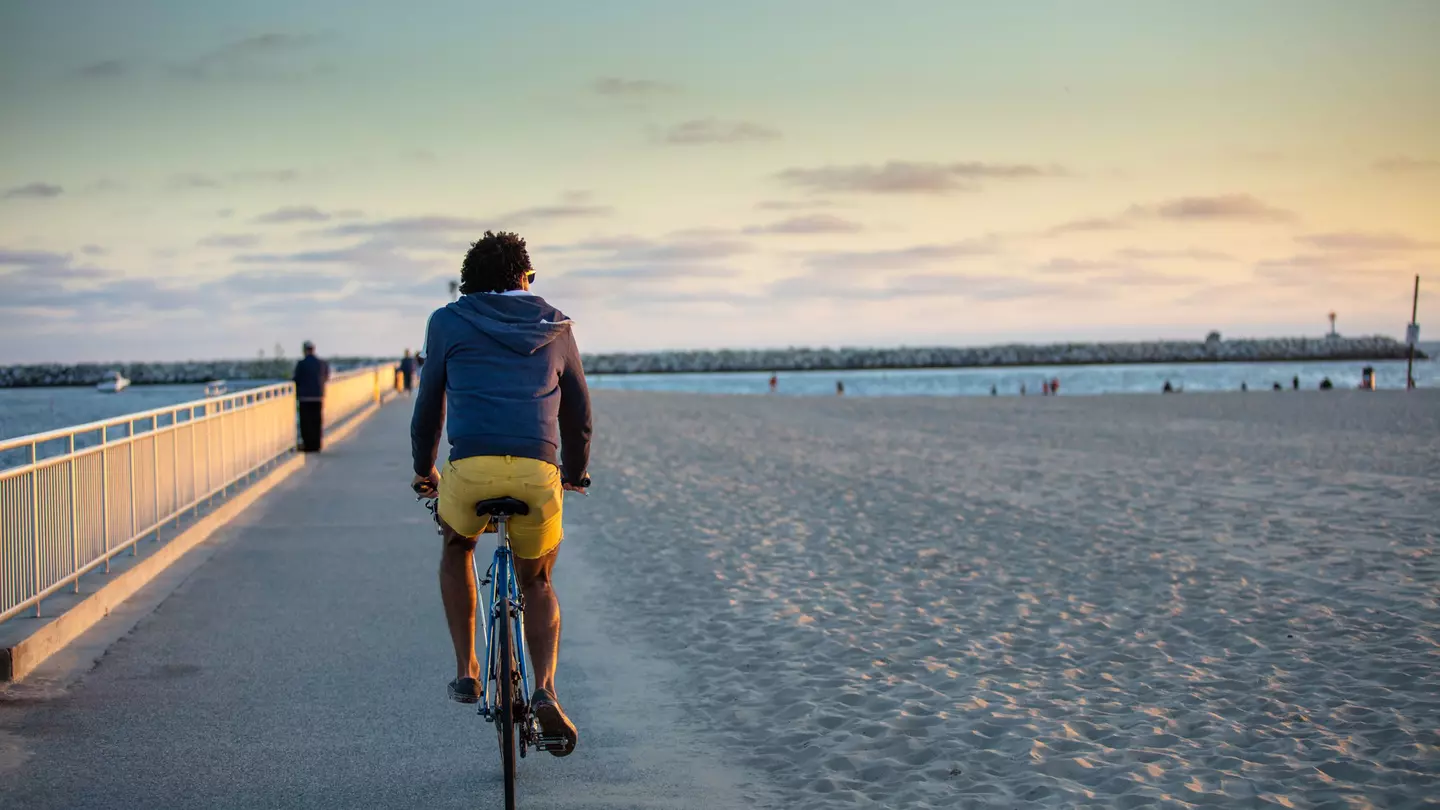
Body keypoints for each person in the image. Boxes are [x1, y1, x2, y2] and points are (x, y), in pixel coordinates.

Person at [410, 230, 590, 757]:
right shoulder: (555, 325)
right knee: (538, 580)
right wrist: (575, 474)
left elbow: (428, 407)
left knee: (457, 546)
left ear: (468, 284)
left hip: (470, 471)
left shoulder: (447, 321)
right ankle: (544, 689)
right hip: (538, 470)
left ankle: (467, 671)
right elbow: (579, 412)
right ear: (525, 277)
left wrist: (425, 470)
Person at [292, 340, 330, 451]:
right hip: (318, 396)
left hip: (305, 398)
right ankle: (317, 444)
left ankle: (308, 445)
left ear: (304, 350)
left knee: (306, 422)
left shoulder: (301, 364)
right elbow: (326, 376)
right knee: (317, 420)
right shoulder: (322, 363)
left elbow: (296, 378)